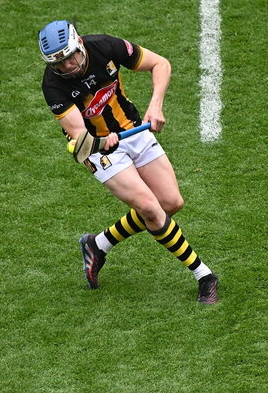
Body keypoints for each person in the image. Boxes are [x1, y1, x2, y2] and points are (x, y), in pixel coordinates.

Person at [39, 20, 219, 304]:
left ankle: (97, 245)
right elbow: (79, 137)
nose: (68, 67)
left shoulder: (105, 47)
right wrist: (101, 142)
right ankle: (204, 275)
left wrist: (155, 104)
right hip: (99, 151)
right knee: (149, 207)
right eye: (59, 64)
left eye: (70, 57)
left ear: (80, 45)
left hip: (134, 130)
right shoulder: (53, 86)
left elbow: (160, 64)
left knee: (171, 203)